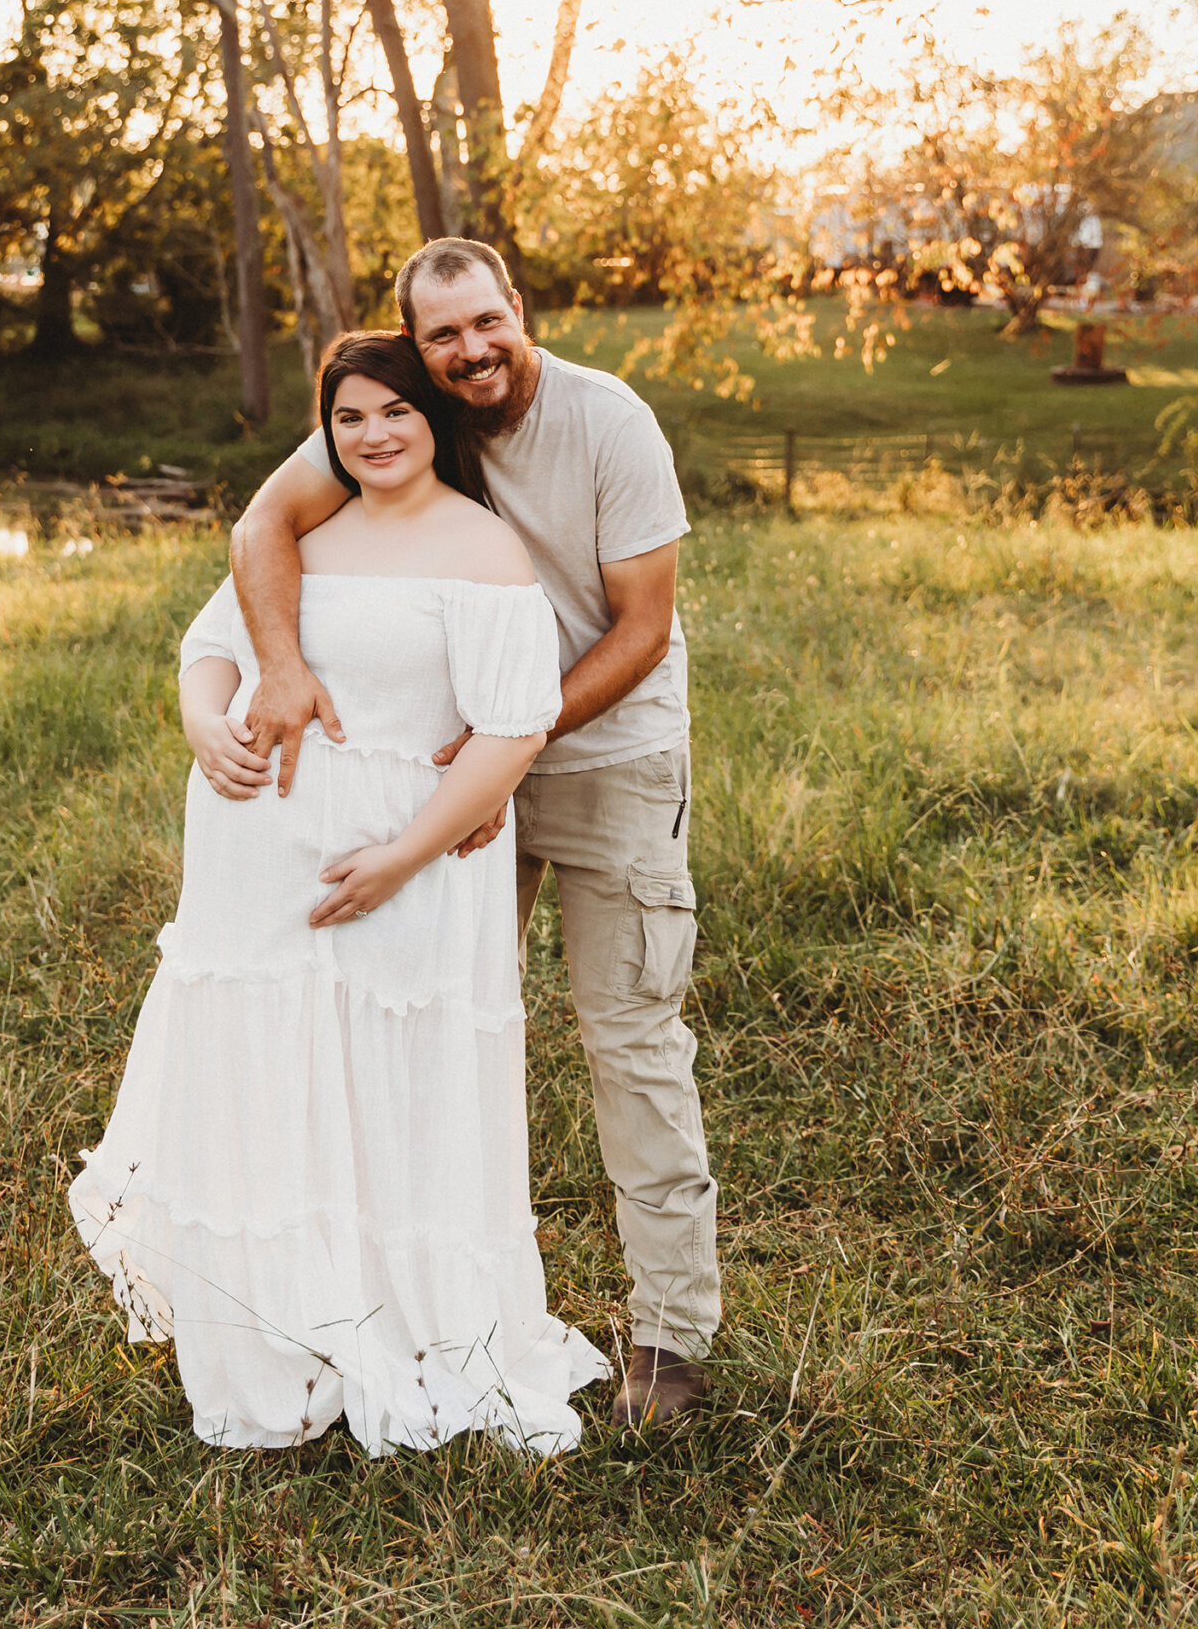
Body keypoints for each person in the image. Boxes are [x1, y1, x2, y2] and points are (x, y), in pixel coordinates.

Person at [70, 328, 606, 1456]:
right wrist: (205, 725)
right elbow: (206, 647)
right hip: (259, 854)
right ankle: (276, 1332)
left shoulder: (484, 551)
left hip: (405, 863)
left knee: (392, 1084)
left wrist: (405, 856)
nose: (373, 435)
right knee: (271, 1079)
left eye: (395, 412)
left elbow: (514, 730)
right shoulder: (306, 531)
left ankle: (405, 1324)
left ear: (435, 422)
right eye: (349, 416)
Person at [228, 238, 718, 1425]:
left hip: (600, 758)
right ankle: (412, 1311)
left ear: (519, 311)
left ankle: (671, 1340)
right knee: (421, 1023)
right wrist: (281, 667)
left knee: (629, 1039)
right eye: (444, 334)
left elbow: (642, 628)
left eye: (486, 323)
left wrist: (513, 743)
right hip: (453, 775)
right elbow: (258, 531)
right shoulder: (407, 409)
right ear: (417, 338)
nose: (470, 352)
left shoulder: (611, 423)